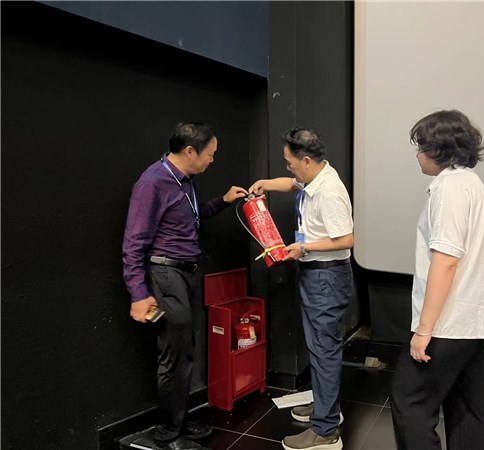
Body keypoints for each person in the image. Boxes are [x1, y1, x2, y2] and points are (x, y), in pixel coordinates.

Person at [122, 122, 248, 450]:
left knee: (184, 352)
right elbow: (133, 244)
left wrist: (224, 200)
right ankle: (168, 433)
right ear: (190, 151)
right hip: (165, 276)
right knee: (174, 355)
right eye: (210, 154)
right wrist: (138, 293)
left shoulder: (185, 181)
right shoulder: (152, 183)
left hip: (184, 275)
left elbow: (193, 216)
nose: (212, 160)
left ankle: (178, 420)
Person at [390, 110, 484, 450]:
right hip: (472, 323)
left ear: (438, 150)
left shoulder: (449, 188)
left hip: (448, 324)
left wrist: (424, 330)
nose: (418, 155)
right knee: (470, 407)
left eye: (421, 147)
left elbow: (446, 260)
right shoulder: (473, 185)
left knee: (410, 400)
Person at [249, 127, 353, 450]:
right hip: (316, 275)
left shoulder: (328, 192)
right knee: (319, 348)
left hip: (326, 277)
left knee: (324, 351)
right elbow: (291, 184)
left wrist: (304, 247)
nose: (288, 168)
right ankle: (325, 407)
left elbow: (346, 239)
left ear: (306, 159)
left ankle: (325, 429)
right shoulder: (314, 178)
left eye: (290, 162)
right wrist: (265, 184)